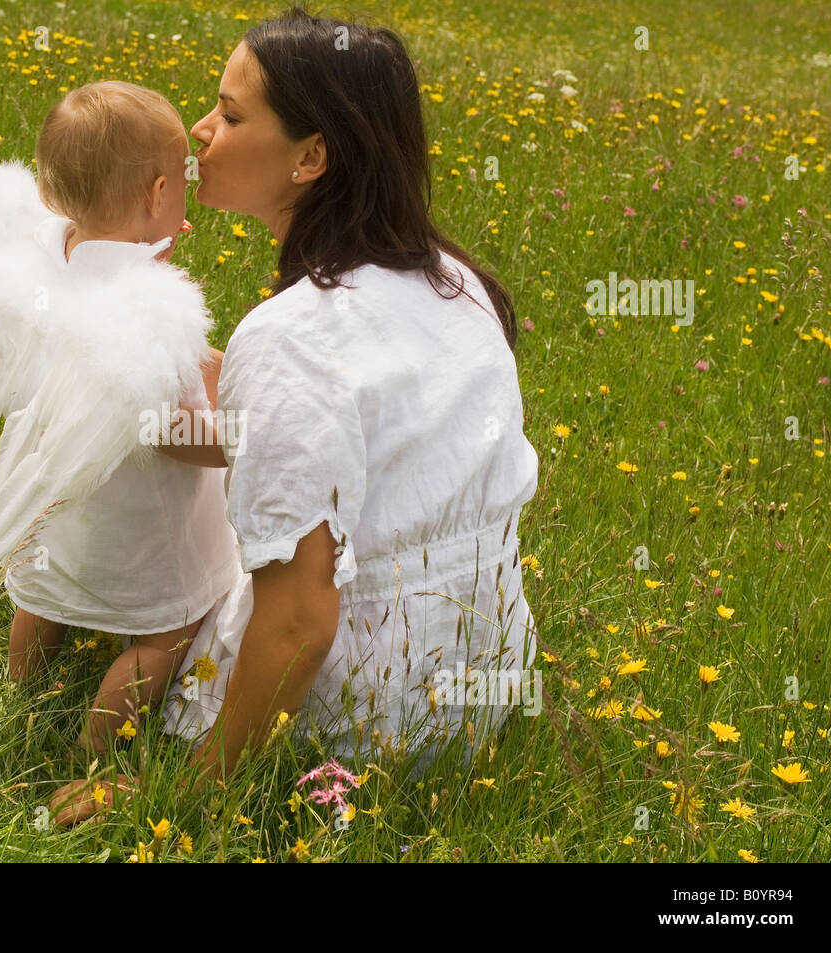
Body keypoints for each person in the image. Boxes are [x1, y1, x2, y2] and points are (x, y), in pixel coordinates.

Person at [51, 10, 540, 823]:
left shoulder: (289, 339)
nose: (200, 133)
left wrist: (186, 800)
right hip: (483, 684)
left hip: (359, 725)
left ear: (312, 156)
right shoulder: (457, 284)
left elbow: (300, 624)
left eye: (232, 115)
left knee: (188, 536)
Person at [0, 81, 243, 756]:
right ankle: (93, 748)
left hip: (55, 501)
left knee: (39, 597)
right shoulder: (152, 313)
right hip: (138, 528)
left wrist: (142, 241)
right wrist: (235, 441)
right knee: (162, 638)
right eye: (180, 193)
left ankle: (21, 690)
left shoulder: (44, 256)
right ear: (158, 194)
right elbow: (171, 429)